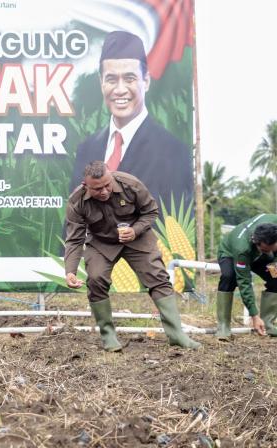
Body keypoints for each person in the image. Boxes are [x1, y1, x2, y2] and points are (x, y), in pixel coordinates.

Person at [64, 161, 200, 351]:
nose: (104, 191)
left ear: (111, 176)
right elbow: (74, 239)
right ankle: (108, 337)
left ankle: (177, 335)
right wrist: (70, 271)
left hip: (137, 237)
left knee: (158, 278)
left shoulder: (131, 184)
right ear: (86, 185)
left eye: (107, 185)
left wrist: (135, 230)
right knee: (95, 279)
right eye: (97, 189)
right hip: (102, 242)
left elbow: (151, 212)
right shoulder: (77, 201)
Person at [69, 31, 192, 213]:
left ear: (146, 81)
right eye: (111, 79)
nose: (120, 90)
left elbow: (176, 223)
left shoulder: (173, 152)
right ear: (101, 83)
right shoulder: (86, 149)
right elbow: (73, 220)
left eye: (129, 78)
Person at [215, 214, 277, 340]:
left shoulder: (273, 221)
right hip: (230, 253)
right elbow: (244, 282)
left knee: (276, 278)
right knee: (229, 277)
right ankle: (223, 326)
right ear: (256, 243)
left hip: (261, 257)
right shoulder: (242, 249)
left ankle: (267, 324)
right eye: (266, 250)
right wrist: (254, 315)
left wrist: (274, 263)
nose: (270, 251)